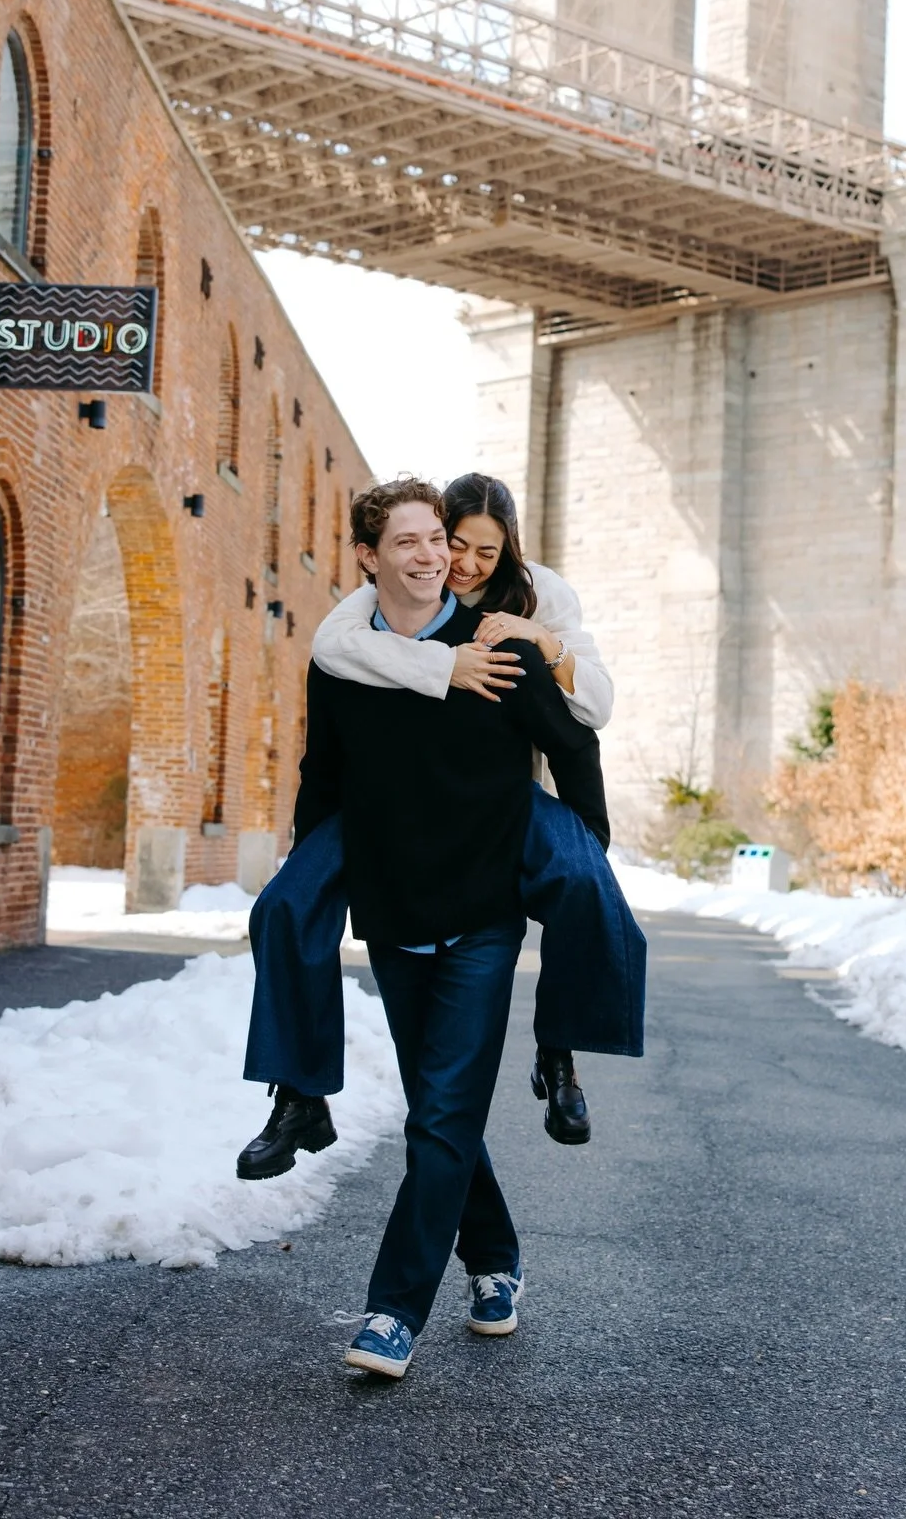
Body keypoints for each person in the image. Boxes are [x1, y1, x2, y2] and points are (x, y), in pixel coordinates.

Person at [238, 475, 643, 1175]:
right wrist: (441, 664)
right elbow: (332, 662)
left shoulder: (540, 597)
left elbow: (585, 724)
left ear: (509, 548)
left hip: (503, 801)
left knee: (585, 883)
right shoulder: (372, 608)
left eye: (484, 551)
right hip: (386, 807)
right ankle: (298, 1094)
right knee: (285, 906)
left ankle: (561, 1055)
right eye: (450, 542)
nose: (460, 562)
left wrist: (543, 645)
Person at [293, 478, 605, 1378]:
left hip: (483, 920)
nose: (444, 561)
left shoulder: (499, 641)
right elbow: (329, 774)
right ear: (373, 557)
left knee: (439, 1119)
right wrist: (311, 876)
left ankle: (393, 1313)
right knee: (444, 1114)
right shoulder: (354, 653)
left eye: (459, 545)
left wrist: (587, 844)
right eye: (424, 542)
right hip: (397, 916)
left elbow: (579, 732)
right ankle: (498, 1260)